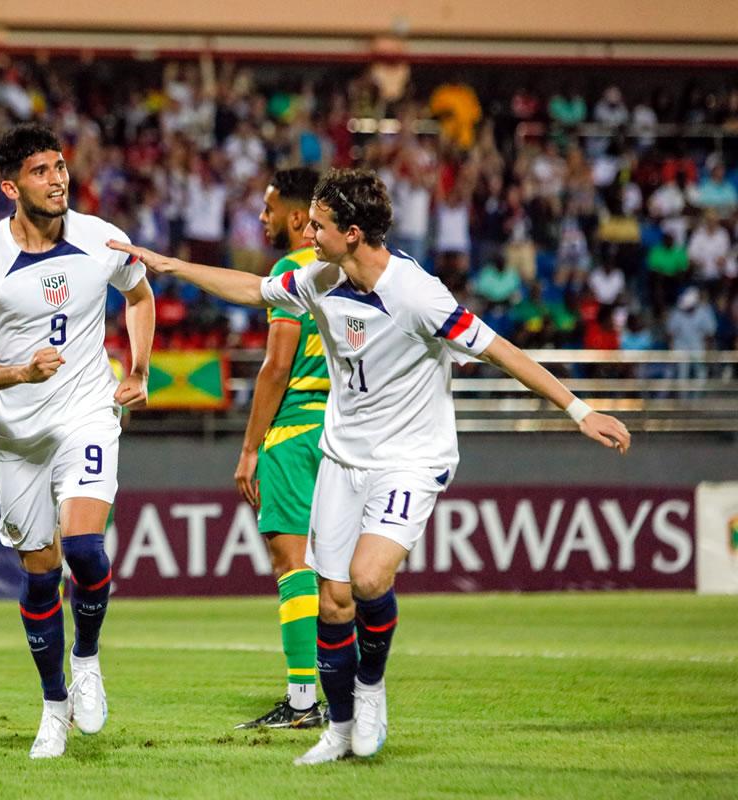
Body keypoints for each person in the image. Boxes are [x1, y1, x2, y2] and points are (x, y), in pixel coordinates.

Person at [106, 167, 630, 766]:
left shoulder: (417, 293)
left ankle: (371, 688)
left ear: (352, 232)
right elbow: (254, 290)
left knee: (369, 579)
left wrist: (578, 408)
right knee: (332, 600)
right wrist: (168, 266)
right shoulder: (322, 277)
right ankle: (339, 727)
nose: (309, 231)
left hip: (410, 460)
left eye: (321, 225)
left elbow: (499, 349)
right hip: (342, 457)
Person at [0, 123, 155, 759]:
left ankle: (86, 660)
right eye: (40, 171)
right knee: (40, 578)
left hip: (87, 408)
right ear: (11, 186)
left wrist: (139, 370)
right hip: (15, 434)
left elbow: (140, 296)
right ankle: (53, 705)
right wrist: (18, 372)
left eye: (60, 166)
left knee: (85, 548)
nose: (57, 178)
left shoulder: (102, 239)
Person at [232, 167, 326, 730]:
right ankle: (346, 691)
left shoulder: (291, 272)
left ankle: (300, 703)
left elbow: (275, 365)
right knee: (335, 571)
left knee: (292, 566)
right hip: (342, 431)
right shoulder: (349, 270)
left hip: (293, 435)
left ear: (297, 217)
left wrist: (250, 448)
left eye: (269, 209)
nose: (263, 218)